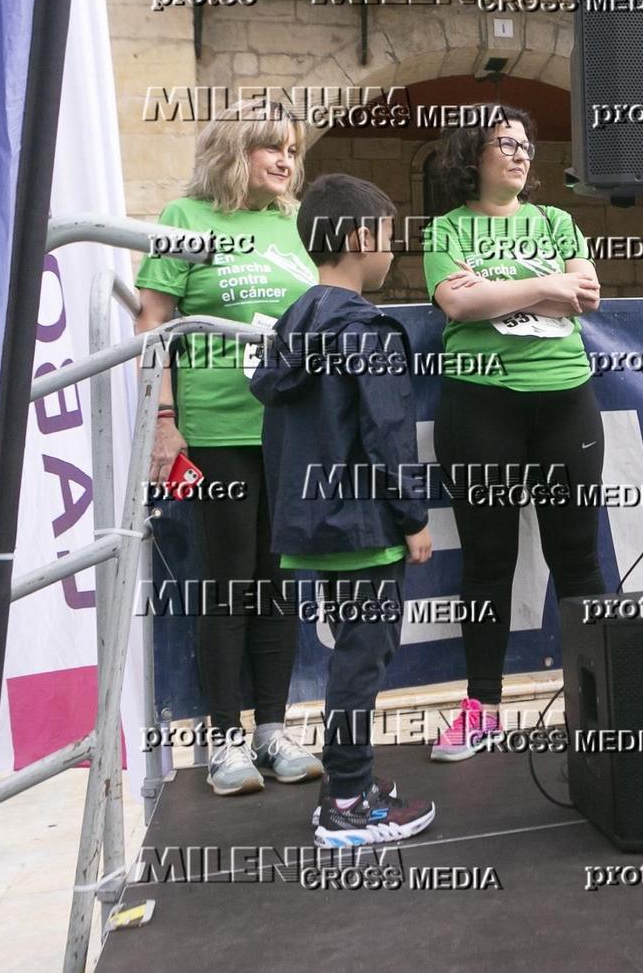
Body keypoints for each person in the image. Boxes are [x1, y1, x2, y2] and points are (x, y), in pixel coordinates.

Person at [136, 98, 323, 795]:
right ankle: (222, 740)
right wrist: (162, 417)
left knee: (279, 582)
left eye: (293, 150)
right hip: (217, 427)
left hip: (292, 427)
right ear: (231, 150)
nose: (285, 161)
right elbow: (153, 323)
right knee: (229, 580)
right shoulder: (186, 219)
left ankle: (272, 730)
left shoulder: (294, 224)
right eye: (272, 146)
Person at [251, 174, 437, 843]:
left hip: (318, 523)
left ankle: (346, 779)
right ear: (361, 238)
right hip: (364, 524)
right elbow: (386, 434)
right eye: (388, 237)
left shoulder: (293, 323)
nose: (391, 251)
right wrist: (413, 517)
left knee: (351, 656)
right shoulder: (370, 329)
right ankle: (350, 803)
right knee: (363, 656)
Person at [423, 106, 609, 762]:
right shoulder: (447, 227)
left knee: (578, 558)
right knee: (487, 562)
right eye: (505, 142)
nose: (520, 153)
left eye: (526, 143)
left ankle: (597, 705)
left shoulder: (557, 220)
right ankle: (482, 708)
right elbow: (458, 303)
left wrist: (504, 287)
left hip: (565, 400)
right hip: (479, 404)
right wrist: (544, 285)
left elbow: (585, 295)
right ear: (473, 153)